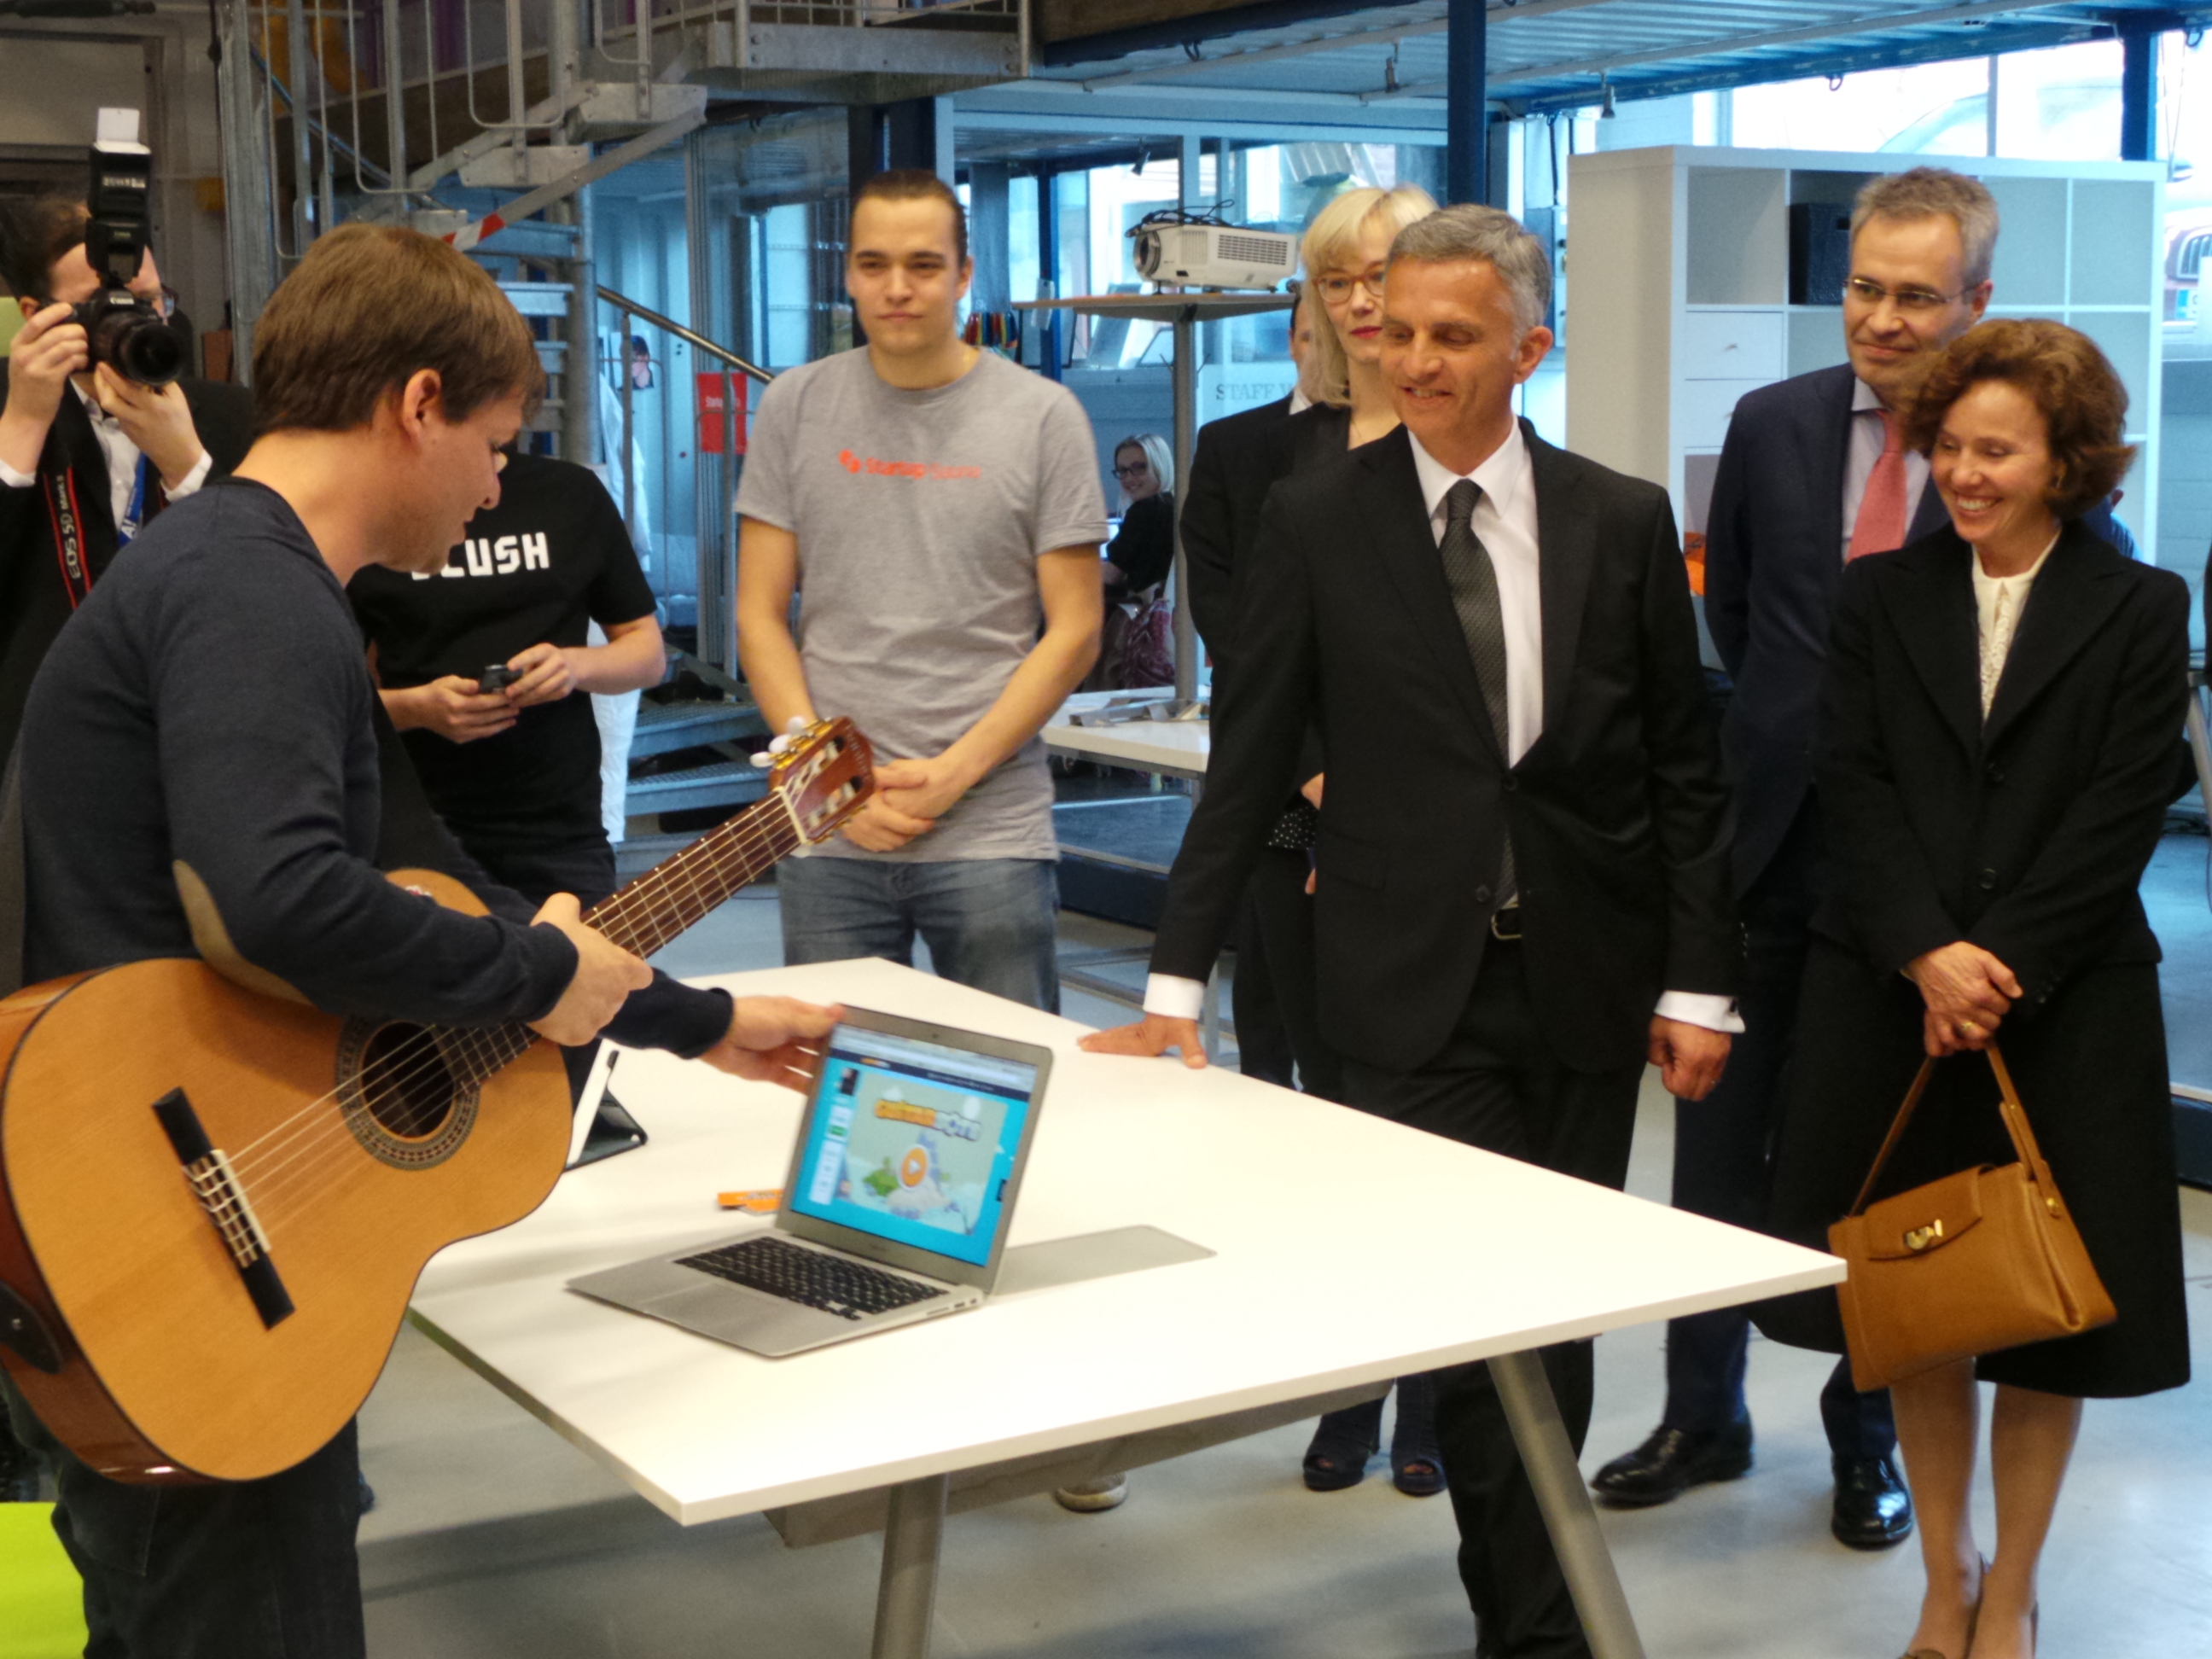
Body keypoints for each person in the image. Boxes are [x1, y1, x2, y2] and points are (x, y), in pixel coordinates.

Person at [0, 222, 841, 1658]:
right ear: (418, 404)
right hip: (162, 1236)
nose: (500, 481)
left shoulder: (267, 581)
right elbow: (274, 897)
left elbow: (437, 880)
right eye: (499, 440)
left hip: (171, 1226)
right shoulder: (248, 584)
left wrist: (693, 1020)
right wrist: (539, 975)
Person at [1084, 204, 1740, 1659]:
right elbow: (1250, 761)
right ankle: (1535, 1627)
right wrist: (1173, 977)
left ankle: (1533, 1605)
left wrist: (1703, 979)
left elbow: (1679, 772)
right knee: (1467, 1310)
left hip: (1580, 977)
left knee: (1555, 1310)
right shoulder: (1316, 517)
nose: (1421, 360)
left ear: (1529, 346)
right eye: (1400, 332)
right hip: (1397, 987)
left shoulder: (1616, 520)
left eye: (1456, 336)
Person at [1758, 317, 2191, 1659]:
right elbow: (1857, 783)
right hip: (1891, 993)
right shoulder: (1881, 595)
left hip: (2064, 1003)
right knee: (1921, 1299)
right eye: (1948, 446)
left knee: (2046, 1306)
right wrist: (1927, 951)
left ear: (2069, 461)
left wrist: (1998, 966)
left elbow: (2127, 805)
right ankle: (1947, 1577)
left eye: (1996, 450)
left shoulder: (2140, 606)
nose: (1965, 473)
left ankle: (2017, 1590)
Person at [734, 168, 1105, 1017]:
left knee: (1007, 1082)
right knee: (832, 1091)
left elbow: (1075, 630)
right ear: (848, 274)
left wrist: (954, 775)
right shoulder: (795, 406)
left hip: (990, 830)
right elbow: (759, 616)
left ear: (965, 274)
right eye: (873, 264)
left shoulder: (1044, 417)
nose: (897, 288)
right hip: (829, 825)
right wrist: (824, 781)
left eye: (924, 266)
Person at [348, 448, 729, 1103]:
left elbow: (647, 655)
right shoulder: (381, 503)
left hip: (558, 828)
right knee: (422, 1082)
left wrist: (574, 667)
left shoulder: (569, 495)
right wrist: (419, 708)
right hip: (422, 837)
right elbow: (326, 701)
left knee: (562, 1083)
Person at [0, 195, 255, 765]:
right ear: (34, 311)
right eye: (102, 305)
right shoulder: (9, 408)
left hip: (197, 732)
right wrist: (22, 426)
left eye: (148, 301)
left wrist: (187, 467)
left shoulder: (230, 416)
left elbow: (264, 580)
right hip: (39, 748)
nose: (132, 322)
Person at [1177, 282, 1318, 1095]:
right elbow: (1225, 615)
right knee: (1269, 954)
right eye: (1310, 331)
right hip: (1274, 758)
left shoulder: (1414, 447)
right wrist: (1306, 760)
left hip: (1384, 771)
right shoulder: (1234, 446)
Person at [1093, 433, 1175, 689]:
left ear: (1159, 464)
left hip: (1143, 621)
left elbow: (1111, 575)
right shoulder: (1177, 504)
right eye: (1123, 471)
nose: (1130, 478)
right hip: (1172, 625)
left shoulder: (1146, 510)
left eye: (1139, 468)